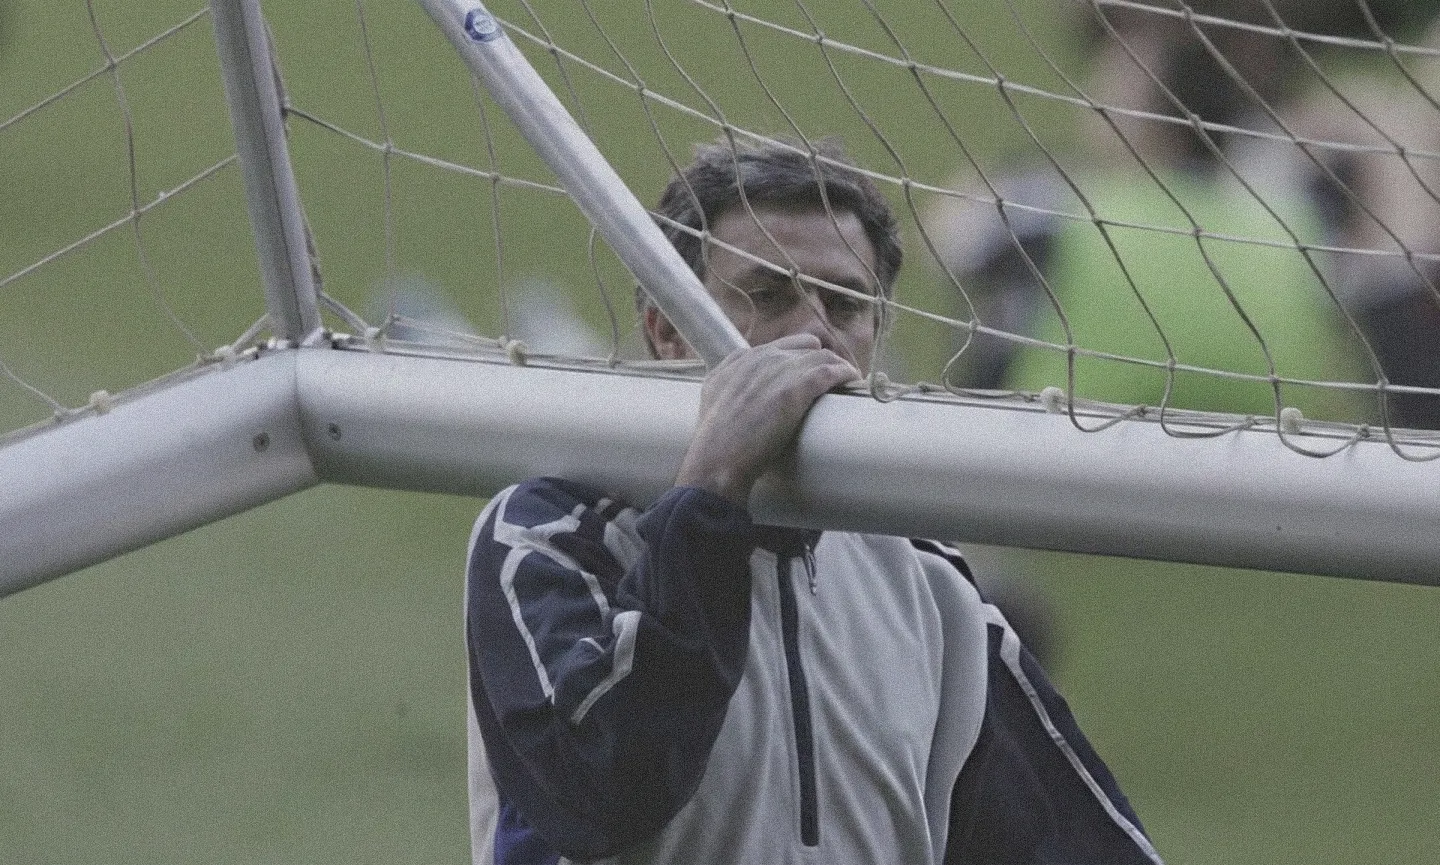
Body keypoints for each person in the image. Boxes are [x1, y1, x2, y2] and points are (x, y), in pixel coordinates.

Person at [463, 137, 1162, 865]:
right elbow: (604, 789)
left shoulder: (925, 581)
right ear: (666, 330)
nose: (813, 332)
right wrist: (712, 492)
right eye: (768, 296)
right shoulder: (546, 536)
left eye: (844, 303)